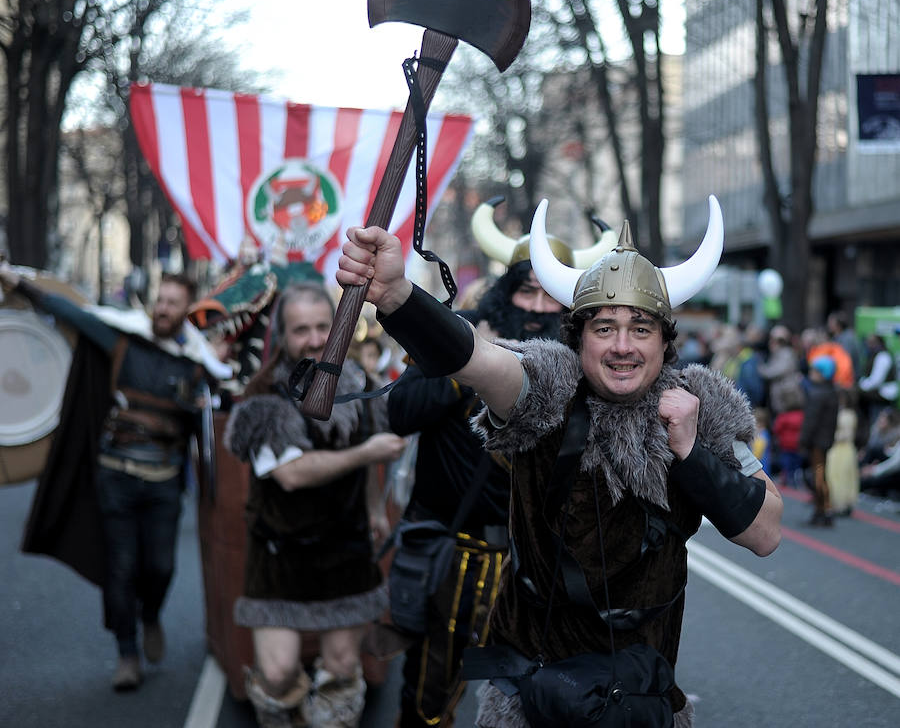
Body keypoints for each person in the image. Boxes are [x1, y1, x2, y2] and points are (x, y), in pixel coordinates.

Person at [336, 196, 782, 727]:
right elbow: (477, 360)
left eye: (641, 328)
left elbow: (765, 532)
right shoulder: (548, 384)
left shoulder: (701, 406)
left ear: (666, 341)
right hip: (533, 691)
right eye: (604, 328)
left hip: (639, 697)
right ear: (578, 336)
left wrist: (689, 452)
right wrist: (398, 296)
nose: (623, 346)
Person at [385, 198, 615, 728]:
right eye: (524, 290)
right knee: (430, 698)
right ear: (504, 291)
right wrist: (470, 361)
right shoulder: (457, 332)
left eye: (549, 295)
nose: (536, 307)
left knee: (526, 699)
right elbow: (400, 412)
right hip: (457, 555)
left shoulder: (580, 363)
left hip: (536, 571)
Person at [1, 261, 231, 691]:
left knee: (160, 568)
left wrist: (206, 398)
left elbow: (219, 408)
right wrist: (23, 286)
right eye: (160, 300)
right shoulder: (124, 341)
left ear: (186, 310)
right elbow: (75, 315)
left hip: (163, 483)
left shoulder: (198, 364)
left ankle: (150, 616)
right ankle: (127, 653)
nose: (162, 309)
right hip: (116, 478)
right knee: (120, 569)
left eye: (173, 303)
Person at [223, 282, 407, 728]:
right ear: (282, 337)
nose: (314, 338)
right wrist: (368, 454)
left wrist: (371, 511)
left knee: (342, 668)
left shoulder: (359, 383)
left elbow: (362, 462)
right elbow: (292, 473)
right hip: (279, 553)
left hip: (345, 550)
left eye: (324, 326)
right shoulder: (263, 396)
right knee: (278, 673)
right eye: (300, 329)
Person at [799, 356, 840, 526]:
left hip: (817, 442)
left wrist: (803, 440)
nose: (811, 373)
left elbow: (811, 421)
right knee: (821, 474)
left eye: (815, 371)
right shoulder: (831, 392)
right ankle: (822, 509)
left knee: (819, 476)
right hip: (825, 440)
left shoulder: (818, 394)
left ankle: (824, 509)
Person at [826, 390, 859, 516]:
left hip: (842, 448)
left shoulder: (848, 414)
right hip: (841, 448)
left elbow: (847, 434)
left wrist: (832, 436)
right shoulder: (843, 413)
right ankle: (837, 503)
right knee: (837, 476)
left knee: (841, 476)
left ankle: (842, 504)